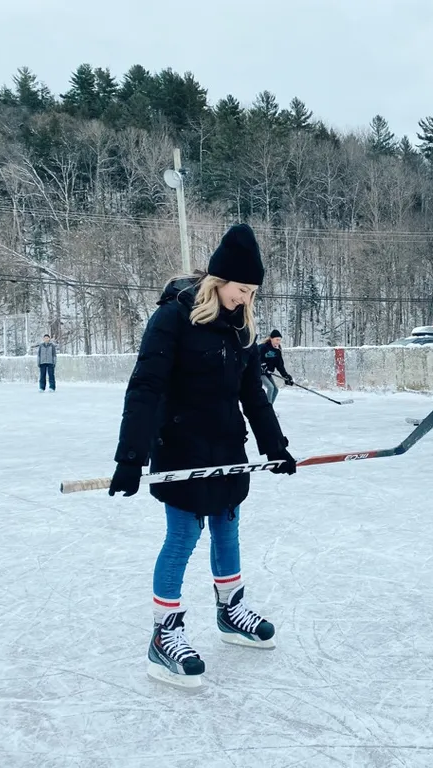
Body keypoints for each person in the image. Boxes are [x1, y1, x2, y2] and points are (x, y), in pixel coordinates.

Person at [107, 222, 297, 688]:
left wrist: (275, 447)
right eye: (241, 289)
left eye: (253, 292)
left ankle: (231, 611)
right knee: (183, 534)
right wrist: (130, 455)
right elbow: (146, 387)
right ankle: (163, 634)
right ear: (218, 281)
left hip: (227, 444)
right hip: (180, 445)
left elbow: (252, 394)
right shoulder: (173, 317)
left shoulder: (242, 328)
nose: (246, 299)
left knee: (227, 526)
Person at [258, 329, 292, 404]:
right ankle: (267, 410)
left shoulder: (277, 351)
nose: (278, 342)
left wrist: (285, 376)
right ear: (271, 339)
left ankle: (269, 408)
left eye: (279, 340)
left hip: (268, 373)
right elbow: (256, 357)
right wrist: (262, 365)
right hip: (259, 372)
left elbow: (280, 366)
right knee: (270, 387)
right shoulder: (263, 347)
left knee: (275, 390)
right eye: (277, 339)